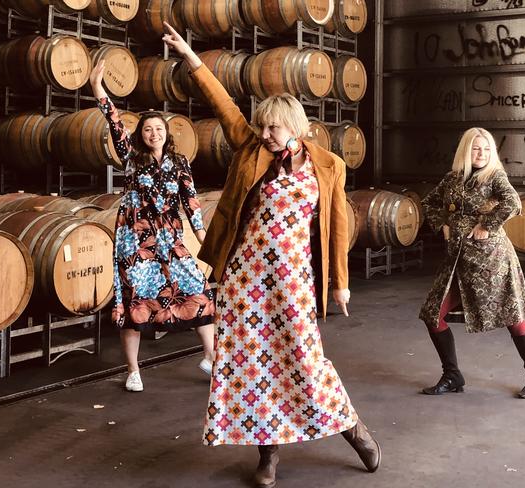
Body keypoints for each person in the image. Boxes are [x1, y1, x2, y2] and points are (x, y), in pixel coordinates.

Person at [162, 22, 381, 488]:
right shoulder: (252, 150)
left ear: (294, 125)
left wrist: (340, 282)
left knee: (305, 358)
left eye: (272, 126)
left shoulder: (328, 165)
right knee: (249, 364)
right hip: (245, 279)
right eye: (261, 126)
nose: (264, 133)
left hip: (293, 279)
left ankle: (352, 428)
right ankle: (269, 456)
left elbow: (338, 228)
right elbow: (223, 105)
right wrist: (191, 58)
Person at [89, 60, 216, 392]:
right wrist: (98, 88)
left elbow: (190, 200)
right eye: (148, 129)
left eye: (159, 128)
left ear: (167, 133)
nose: (154, 133)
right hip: (135, 238)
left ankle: (210, 357)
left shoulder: (179, 162)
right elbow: (114, 122)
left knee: (197, 289)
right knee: (136, 300)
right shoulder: (131, 157)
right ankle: (133, 370)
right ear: (141, 135)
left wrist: (203, 236)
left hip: (171, 238)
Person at [419, 127, 525, 399]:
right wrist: (442, 224)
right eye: (476, 148)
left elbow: (512, 202)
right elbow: (428, 203)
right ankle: (452, 375)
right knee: (433, 314)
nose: (481, 153)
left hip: (491, 258)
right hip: (456, 260)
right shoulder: (452, 179)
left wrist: (488, 224)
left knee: (512, 314)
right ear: (466, 150)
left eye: (487, 149)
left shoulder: (495, 176)